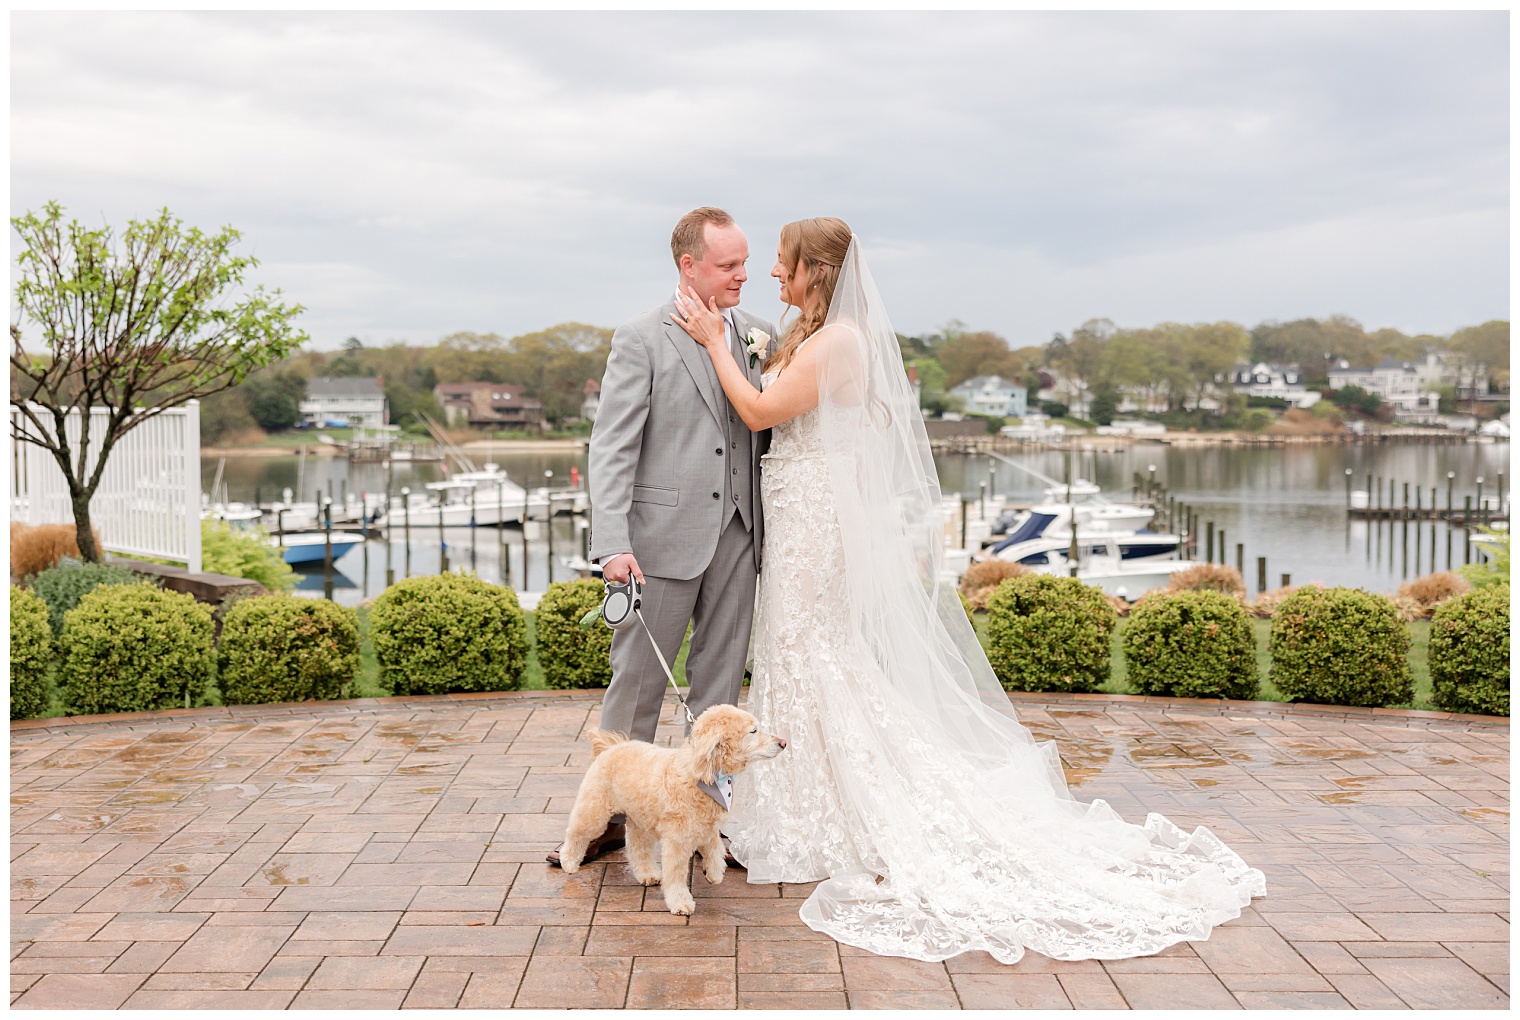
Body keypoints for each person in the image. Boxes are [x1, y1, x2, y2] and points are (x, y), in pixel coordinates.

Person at [668, 216, 1266, 964]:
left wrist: (718, 346)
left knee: (809, 648)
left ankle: (824, 813)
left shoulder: (839, 342)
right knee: (795, 648)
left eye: (783, 265)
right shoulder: (815, 338)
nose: (772, 278)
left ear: (816, 272)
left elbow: (759, 412)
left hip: (815, 517)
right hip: (798, 509)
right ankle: (789, 804)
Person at [547, 207, 779, 868]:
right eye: (729, 264)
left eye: (743, 261)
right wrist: (612, 542)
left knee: (719, 691)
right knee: (638, 682)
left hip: (739, 535)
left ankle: (709, 823)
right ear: (690, 265)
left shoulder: (760, 334)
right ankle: (611, 819)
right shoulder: (641, 338)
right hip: (657, 541)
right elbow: (612, 448)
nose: (743, 275)